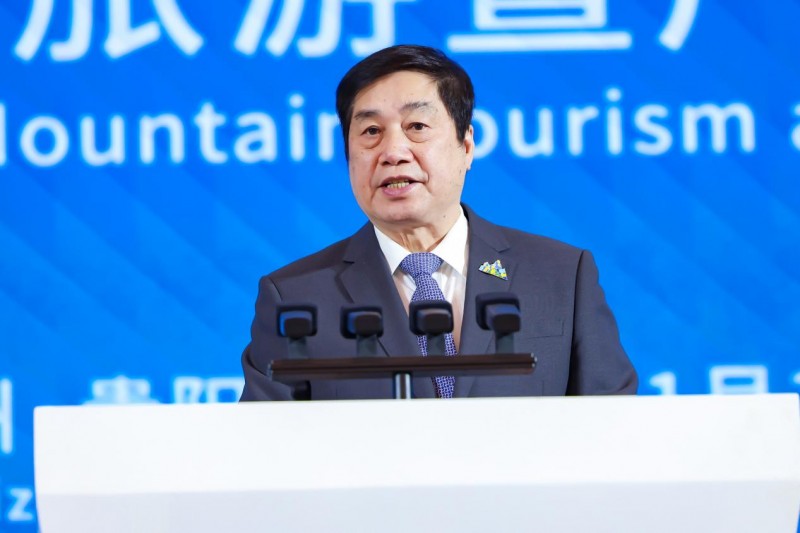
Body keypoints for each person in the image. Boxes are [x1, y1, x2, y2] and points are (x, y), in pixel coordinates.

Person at [240, 45, 637, 401]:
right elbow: (263, 447)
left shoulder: (561, 275)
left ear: (466, 145)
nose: (393, 151)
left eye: (417, 127)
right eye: (371, 132)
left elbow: (615, 428)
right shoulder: (295, 297)